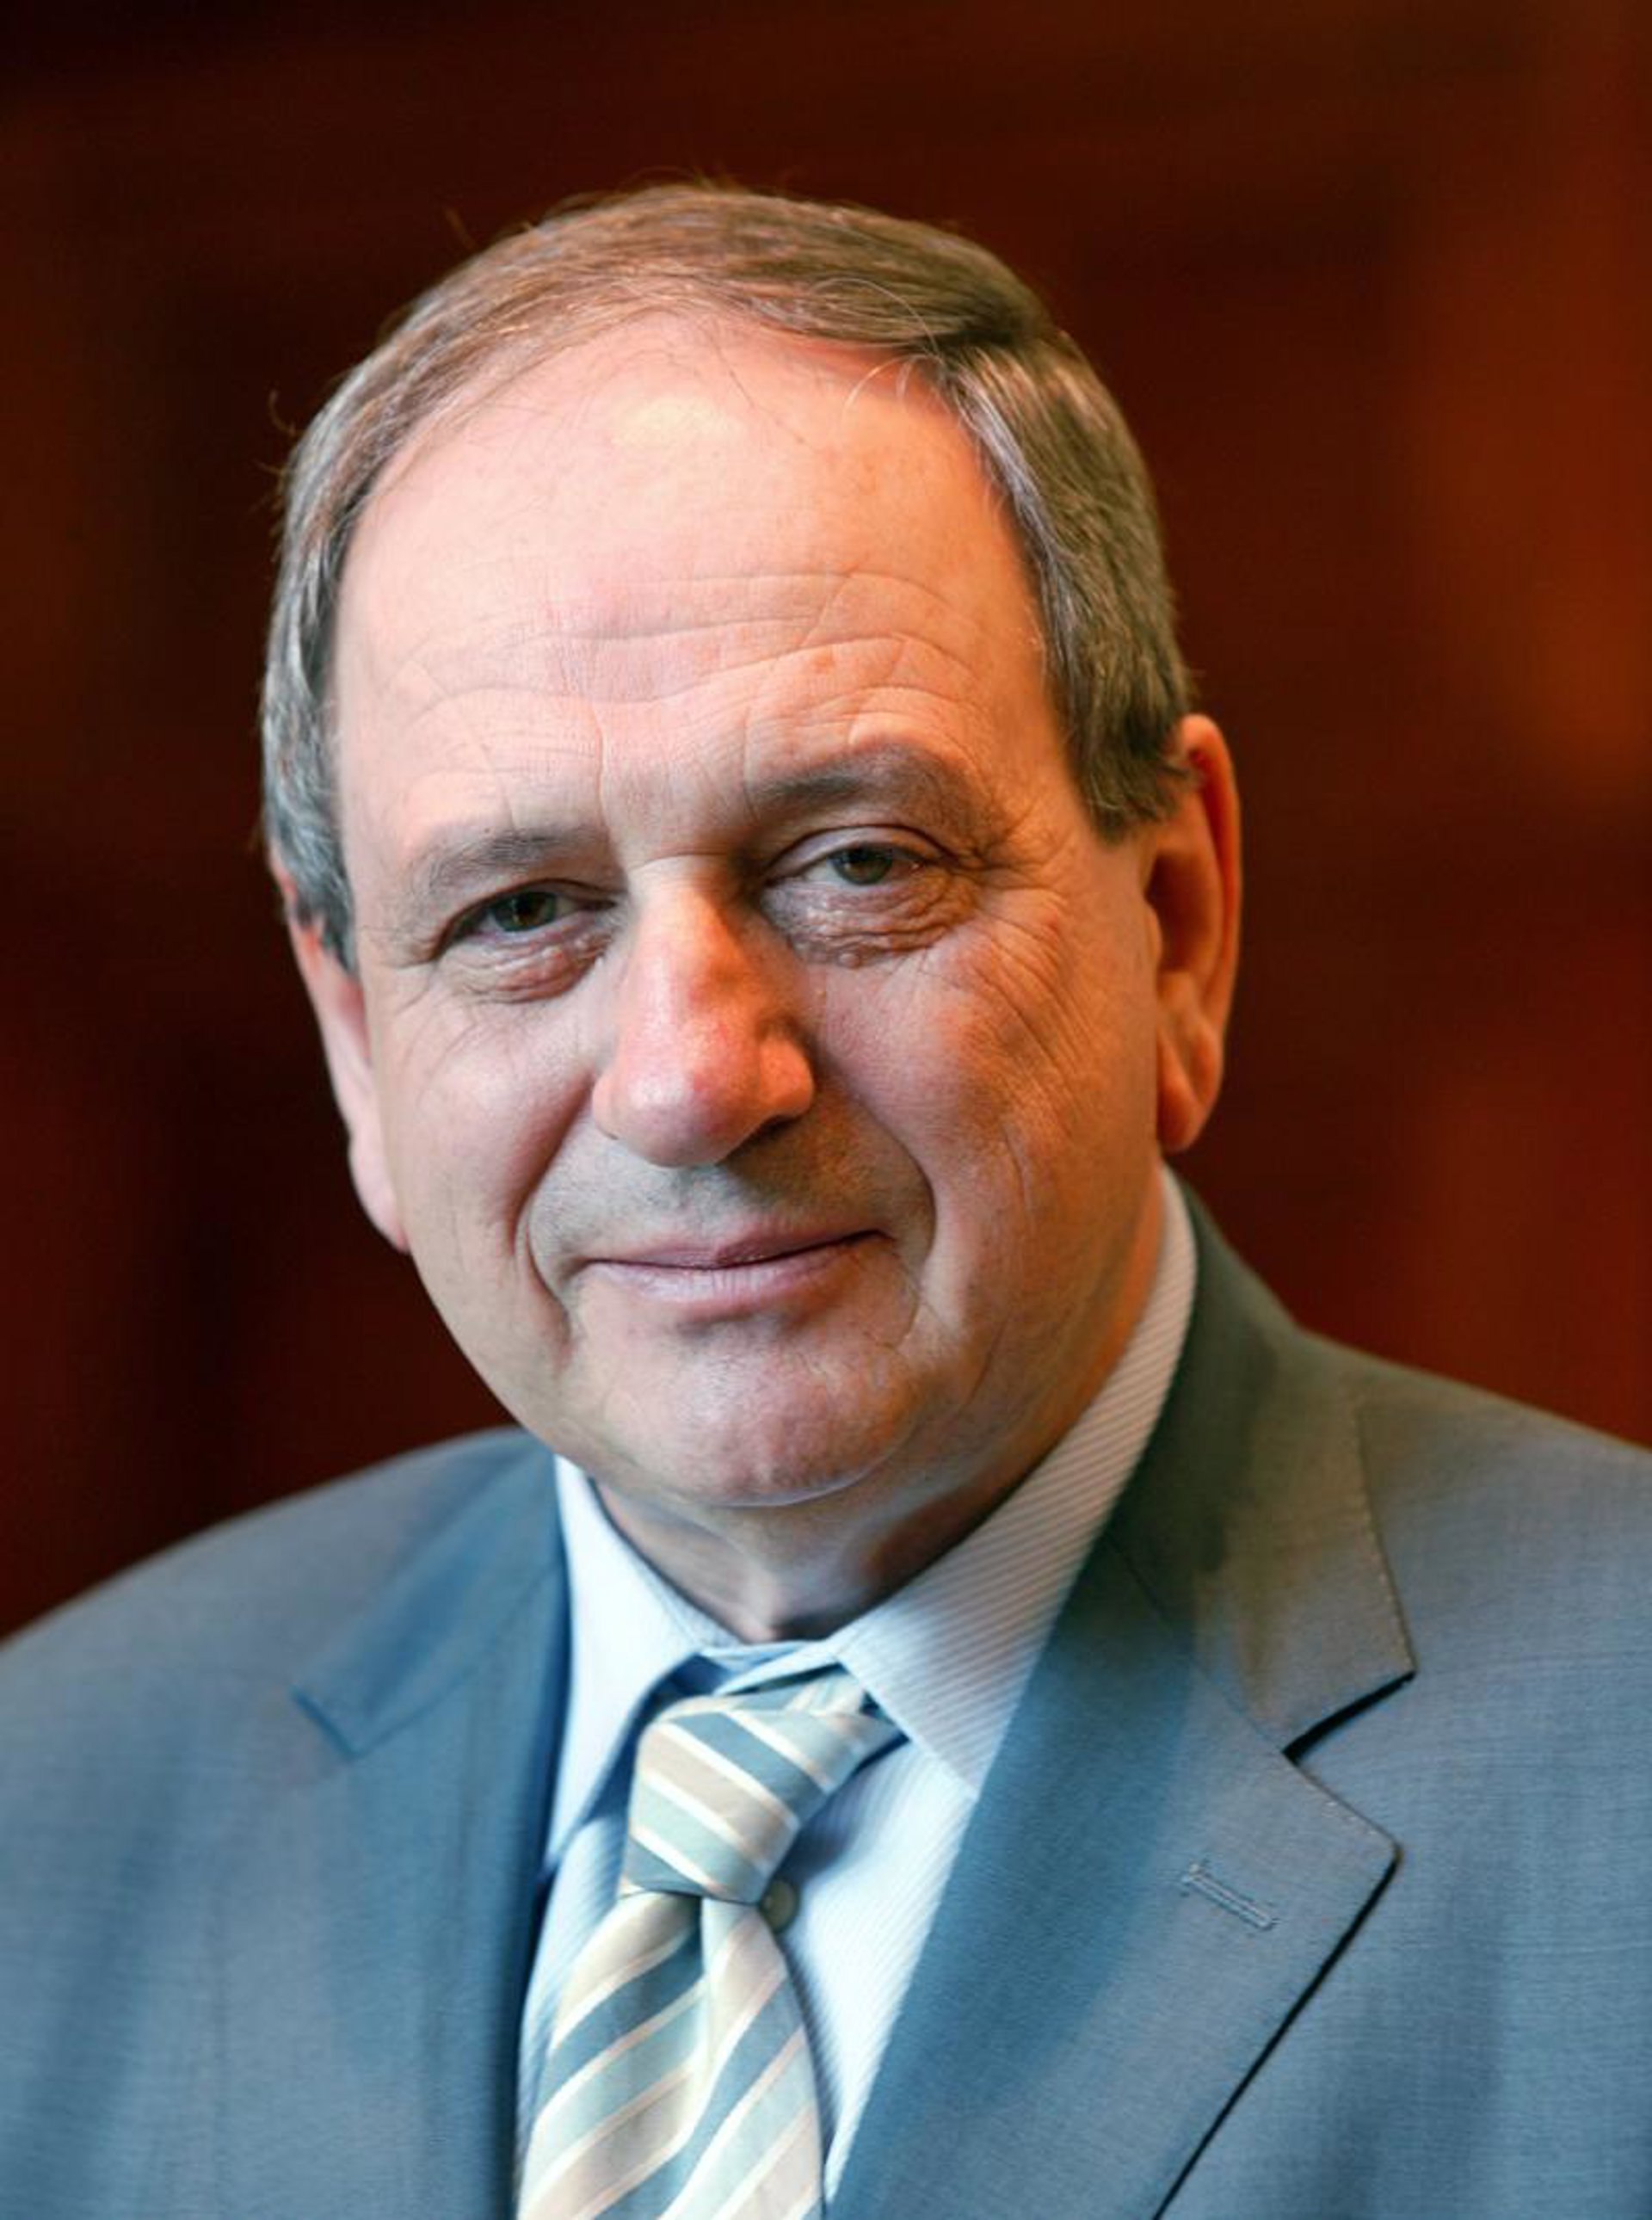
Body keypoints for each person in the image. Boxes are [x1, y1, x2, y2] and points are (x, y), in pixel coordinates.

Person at [2, 183, 1649, 2220]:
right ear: (354, 1032)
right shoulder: (49, 1814)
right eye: (521, 913)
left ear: (1179, 923)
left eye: (859, 863)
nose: (693, 1077)